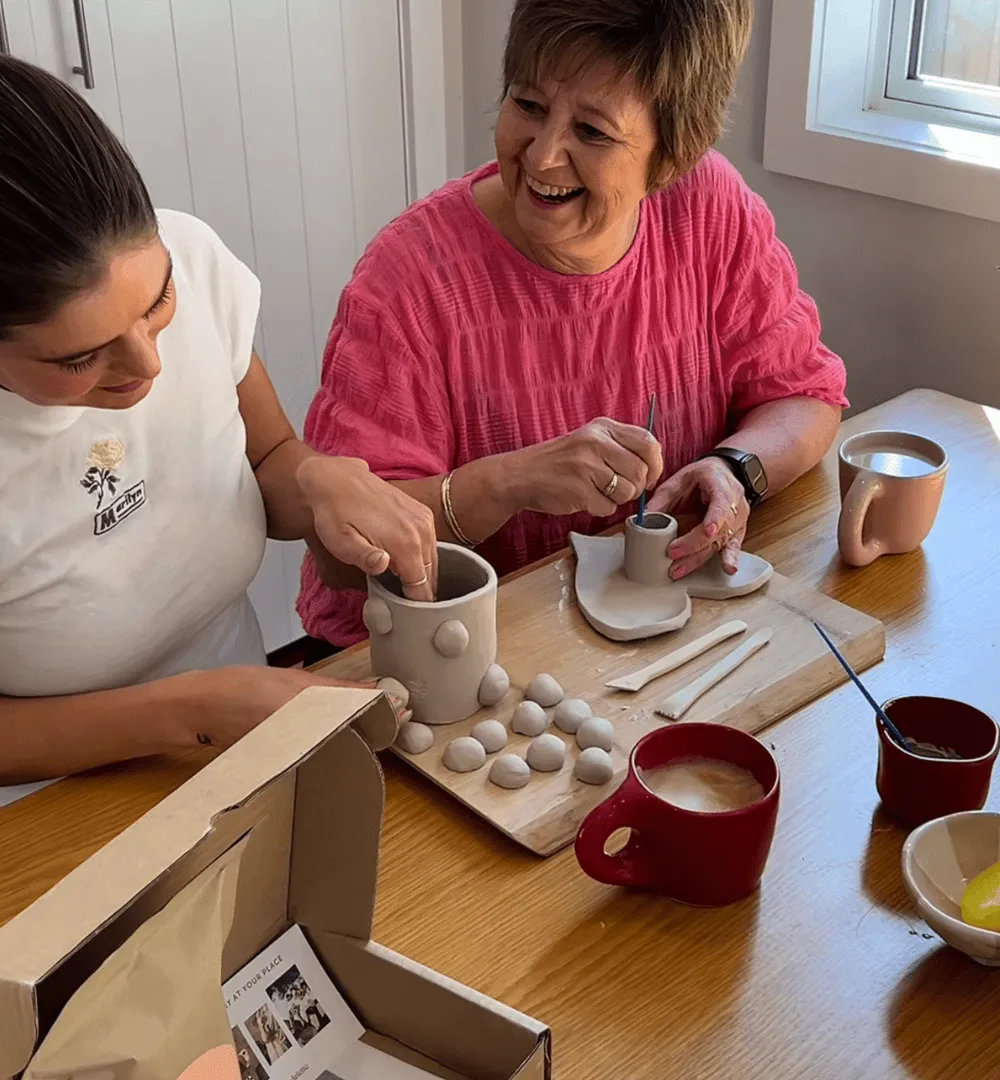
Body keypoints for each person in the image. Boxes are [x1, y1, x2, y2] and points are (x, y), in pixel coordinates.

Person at [0, 51, 436, 837]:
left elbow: (268, 464)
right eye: (77, 358)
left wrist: (321, 479)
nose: (148, 364)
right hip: (42, 816)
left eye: (156, 303)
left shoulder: (192, 258)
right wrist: (190, 713)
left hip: (241, 743)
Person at [297, 0, 847, 650]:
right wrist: (508, 482)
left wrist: (735, 469)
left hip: (659, 640)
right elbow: (340, 556)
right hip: (447, 657)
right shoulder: (410, 279)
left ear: (671, 157)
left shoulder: (708, 209)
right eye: (528, 105)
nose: (544, 155)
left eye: (592, 132)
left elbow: (805, 395)